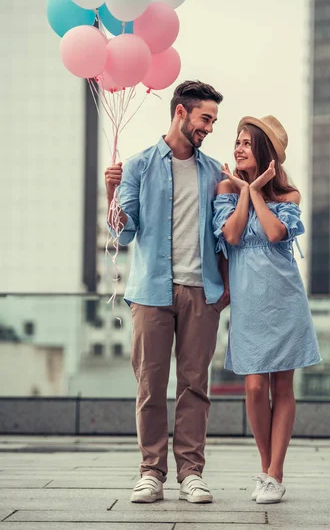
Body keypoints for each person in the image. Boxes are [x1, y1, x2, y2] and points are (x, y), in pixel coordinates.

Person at [105, 81, 229, 505]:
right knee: (150, 385)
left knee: (195, 386)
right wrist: (110, 193)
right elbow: (125, 231)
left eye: (213, 120)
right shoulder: (139, 165)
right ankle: (151, 472)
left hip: (202, 293)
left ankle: (191, 473)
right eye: (205, 119)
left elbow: (224, 234)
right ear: (180, 112)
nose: (210, 128)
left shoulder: (215, 172)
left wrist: (224, 289)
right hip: (150, 293)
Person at [212, 115, 321, 505]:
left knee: (282, 387)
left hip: (285, 299)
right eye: (237, 141)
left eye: (245, 142)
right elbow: (232, 234)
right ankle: (264, 465)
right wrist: (244, 190)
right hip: (248, 304)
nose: (238, 147)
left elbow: (276, 234)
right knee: (255, 387)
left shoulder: (288, 196)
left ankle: (275, 473)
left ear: (262, 151)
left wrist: (257, 190)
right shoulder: (227, 187)